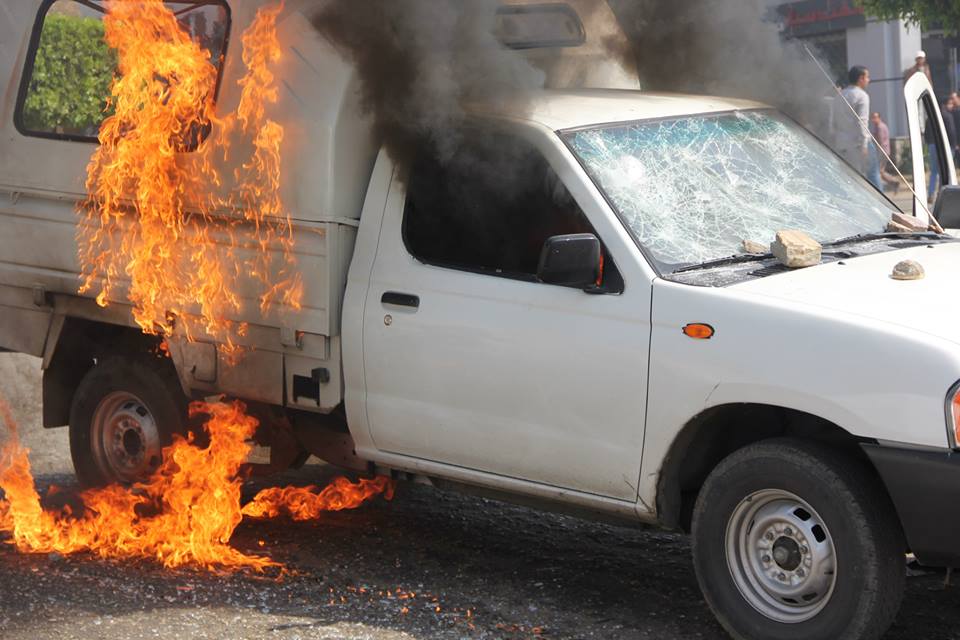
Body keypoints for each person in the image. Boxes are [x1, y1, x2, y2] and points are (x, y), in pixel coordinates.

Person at [839, 66, 880, 188]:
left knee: (850, 180)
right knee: (873, 175)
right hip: (859, 143)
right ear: (861, 78)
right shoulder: (862, 96)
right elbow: (862, 122)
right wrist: (864, 145)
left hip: (843, 144)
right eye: (867, 77)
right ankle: (879, 199)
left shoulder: (839, 96)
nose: (869, 80)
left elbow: (833, 121)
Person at [869, 112, 899, 191]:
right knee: (880, 171)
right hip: (884, 151)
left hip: (882, 151)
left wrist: (877, 151)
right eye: (873, 118)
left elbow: (880, 141)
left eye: (875, 117)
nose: (873, 120)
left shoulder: (880, 127)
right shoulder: (878, 126)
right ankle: (893, 182)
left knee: (878, 171)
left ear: (879, 118)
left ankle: (890, 183)